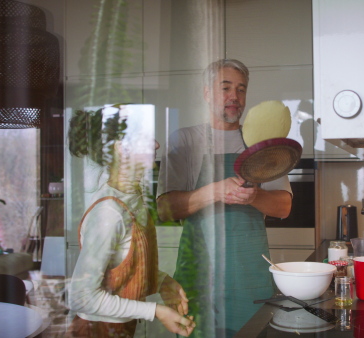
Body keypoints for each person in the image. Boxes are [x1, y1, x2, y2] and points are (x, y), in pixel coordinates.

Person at [156, 59, 293, 337]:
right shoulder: (185, 140)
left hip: (249, 276)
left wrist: (252, 196)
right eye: (225, 88)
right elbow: (165, 209)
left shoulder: (261, 143)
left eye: (241, 89)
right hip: (199, 276)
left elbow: (284, 206)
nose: (234, 96)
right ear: (207, 93)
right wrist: (215, 191)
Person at [67, 105, 196, 337]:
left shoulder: (132, 199)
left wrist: (163, 282)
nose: (156, 145)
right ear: (120, 147)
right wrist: (155, 311)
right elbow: (81, 296)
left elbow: (124, 269)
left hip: (121, 328)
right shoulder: (109, 213)